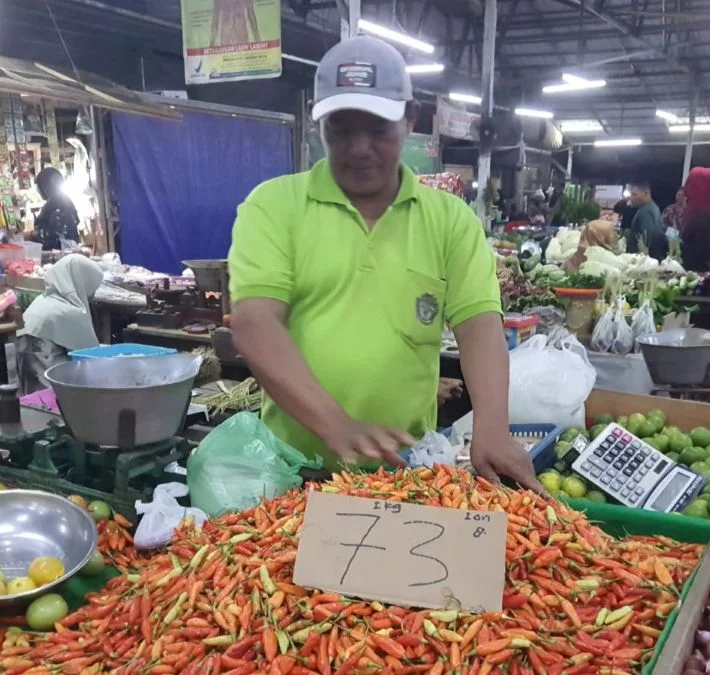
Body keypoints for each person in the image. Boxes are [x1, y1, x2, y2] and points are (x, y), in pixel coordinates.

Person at [227, 35, 542, 491]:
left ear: (410, 119)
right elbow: (255, 325)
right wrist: (336, 424)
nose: (359, 148)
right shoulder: (274, 207)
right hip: (292, 473)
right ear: (319, 126)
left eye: (377, 128)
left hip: (407, 475)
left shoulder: (449, 219)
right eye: (342, 128)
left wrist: (491, 426)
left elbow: (479, 325)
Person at [16, 255, 104, 393]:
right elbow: (90, 354)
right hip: (46, 361)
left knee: (34, 400)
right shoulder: (70, 311)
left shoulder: (44, 300)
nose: (92, 295)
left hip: (27, 360)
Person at [680, 168, 710, 272]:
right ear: (708, 188)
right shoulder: (704, 215)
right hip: (702, 279)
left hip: (693, 275)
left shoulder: (693, 210)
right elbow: (705, 252)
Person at [31, 167, 79, 251]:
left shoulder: (55, 203)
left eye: (39, 186)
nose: (38, 191)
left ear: (45, 185)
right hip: (68, 251)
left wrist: (34, 234)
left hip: (59, 253)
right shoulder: (64, 200)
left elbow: (55, 233)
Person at [625, 179, 664, 259]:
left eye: (634, 194)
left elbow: (648, 239)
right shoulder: (652, 208)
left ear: (646, 193)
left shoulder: (646, 212)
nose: (631, 198)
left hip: (640, 261)